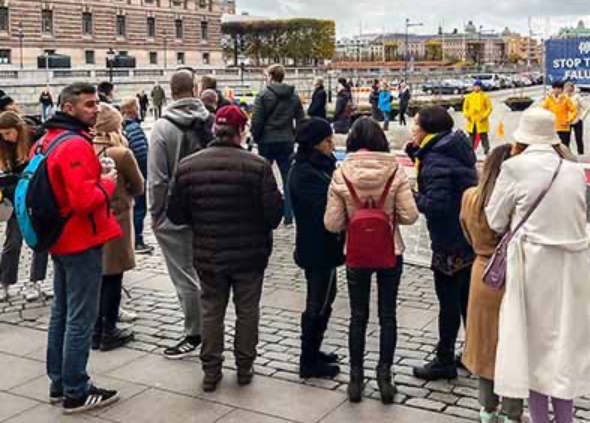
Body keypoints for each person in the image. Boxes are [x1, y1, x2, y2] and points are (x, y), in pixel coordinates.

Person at [486, 108, 590, 423]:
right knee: (564, 347)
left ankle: (539, 419)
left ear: (522, 137)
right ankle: (565, 419)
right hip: (573, 267)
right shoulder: (575, 170)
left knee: (533, 347)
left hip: (533, 267)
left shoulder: (514, 167)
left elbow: (494, 220)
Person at [168, 105, 284, 391]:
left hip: (209, 253)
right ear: (241, 131)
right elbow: (273, 217)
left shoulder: (188, 165)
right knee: (247, 310)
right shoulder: (258, 167)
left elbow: (176, 214)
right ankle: (244, 367)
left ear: (214, 130)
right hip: (249, 254)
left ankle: (211, 370)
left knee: (211, 311)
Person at [325, 117, 419, 403]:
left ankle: (355, 379)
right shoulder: (395, 171)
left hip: (356, 251)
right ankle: (385, 376)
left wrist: (355, 217)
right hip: (391, 250)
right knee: (387, 315)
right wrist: (387, 217)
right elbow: (411, 215)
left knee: (358, 315)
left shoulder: (342, 173)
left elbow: (331, 223)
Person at [41, 82, 122, 413]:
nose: (96, 109)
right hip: (80, 239)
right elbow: (84, 200)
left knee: (61, 312)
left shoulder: (47, 139)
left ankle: (59, 382)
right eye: (88, 104)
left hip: (58, 238)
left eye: (97, 104)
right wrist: (108, 181)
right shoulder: (74, 144)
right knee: (80, 317)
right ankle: (76, 389)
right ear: (68, 107)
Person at [407, 106, 478, 381]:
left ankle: (444, 359)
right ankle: (472, 353)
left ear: (428, 129)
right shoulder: (453, 146)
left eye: (416, 124)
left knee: (448, 302)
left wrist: (413, 196)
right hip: (466, 235)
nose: (413, 128)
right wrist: (417, 153)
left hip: (449, 242)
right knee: (464, 301)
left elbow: (436, 204)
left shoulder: (436, 159)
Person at [148, 70, 213, 359]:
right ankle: (212, 324)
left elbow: (157, 179)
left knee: (183, 274)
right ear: (195, 89)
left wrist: (155, 212)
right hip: (207, 210)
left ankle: (194, 332)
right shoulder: (209, 119)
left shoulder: (163, 128)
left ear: (171, 92)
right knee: (204, 271)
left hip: (174, 212)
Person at [460, 144, 524, 423]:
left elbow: (466, 234)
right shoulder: (519, 202)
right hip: (515, 274)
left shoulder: (471, 198)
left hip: (482, 273)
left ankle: (487, 410)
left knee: (484, 344)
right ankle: (512, 413)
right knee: (513, 345)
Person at [288, 118, 343, 380]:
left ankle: (315, 351)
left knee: (327, 297)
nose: (332, 145)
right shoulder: (304, 172)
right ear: (315, 144)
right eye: (327, 141)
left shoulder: (319, 166)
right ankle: (307, 360)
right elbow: (324, 208)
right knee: (317, 301)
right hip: (316, 246)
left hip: (326, 246)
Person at [92, 104, 144, 352]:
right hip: (116, 218)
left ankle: (94, 329)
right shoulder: (120, 153)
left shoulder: (84, 147)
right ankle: (108, 329)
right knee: (113, 275)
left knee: (94, 276)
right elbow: (139, 185)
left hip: (89, 218)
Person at [0, 112, 49, 303]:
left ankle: (35, 281)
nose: (6, 137)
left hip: (36, 196)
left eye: (8, 133)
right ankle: (5, 281)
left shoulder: (35, 138)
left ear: (18, 129)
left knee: (40, 241)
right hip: (16, 197)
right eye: (2, 134)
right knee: (13, 241)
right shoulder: (4, 145)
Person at [251, 64, 305, 227]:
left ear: (271, 76)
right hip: (286, 140)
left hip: (266, 141)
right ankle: (288, 216)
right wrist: (294, 135)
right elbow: (301, 119)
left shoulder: (263, 95)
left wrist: (256, 136)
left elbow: (257, 120)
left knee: (263, 179)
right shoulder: (293, 96)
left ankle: (262, 213)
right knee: (287, 178)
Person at [120, 98, 152, 255]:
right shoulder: (134, 128)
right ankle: (137, 241)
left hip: (126, 177)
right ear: (133, 109)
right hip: (137, 174)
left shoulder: (123, 127)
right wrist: (144, 175)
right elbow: (142, 154)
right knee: (139, 209)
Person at [542, 80, 577, 147]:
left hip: (564, 127)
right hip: (552, 127)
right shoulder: (549, 99)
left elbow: (574, 110)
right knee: (553, 147)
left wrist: (569, 119)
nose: (557, 90)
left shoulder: (566, 99)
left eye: (559, 88)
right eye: (555, 88)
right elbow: (543, 111)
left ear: (562, 89)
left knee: (564, 146)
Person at [463, 81, 492, 155]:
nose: (476, 87)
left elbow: (489, 108)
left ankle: (486, 150)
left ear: (480, 87)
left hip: (481, 120)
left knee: (483, 136)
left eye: (478, 86)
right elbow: (465, 108)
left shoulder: (485, 96)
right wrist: (467, 115)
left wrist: (484, 116)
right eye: (475, 86)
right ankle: (470, 151)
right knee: (471, 136)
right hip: (471, 120)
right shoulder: (469, 97)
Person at [566, 81, 588, 155]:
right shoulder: (563, 97)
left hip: (577, 121)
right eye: (566, 88)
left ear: (572, 89)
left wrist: (581, 118)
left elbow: (586, 108)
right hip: (567, 122)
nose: (567, 90)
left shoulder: (577, 97)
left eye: (569, 88)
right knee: (566, 140)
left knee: (578, 139)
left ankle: (581, 154)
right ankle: (567, 154)